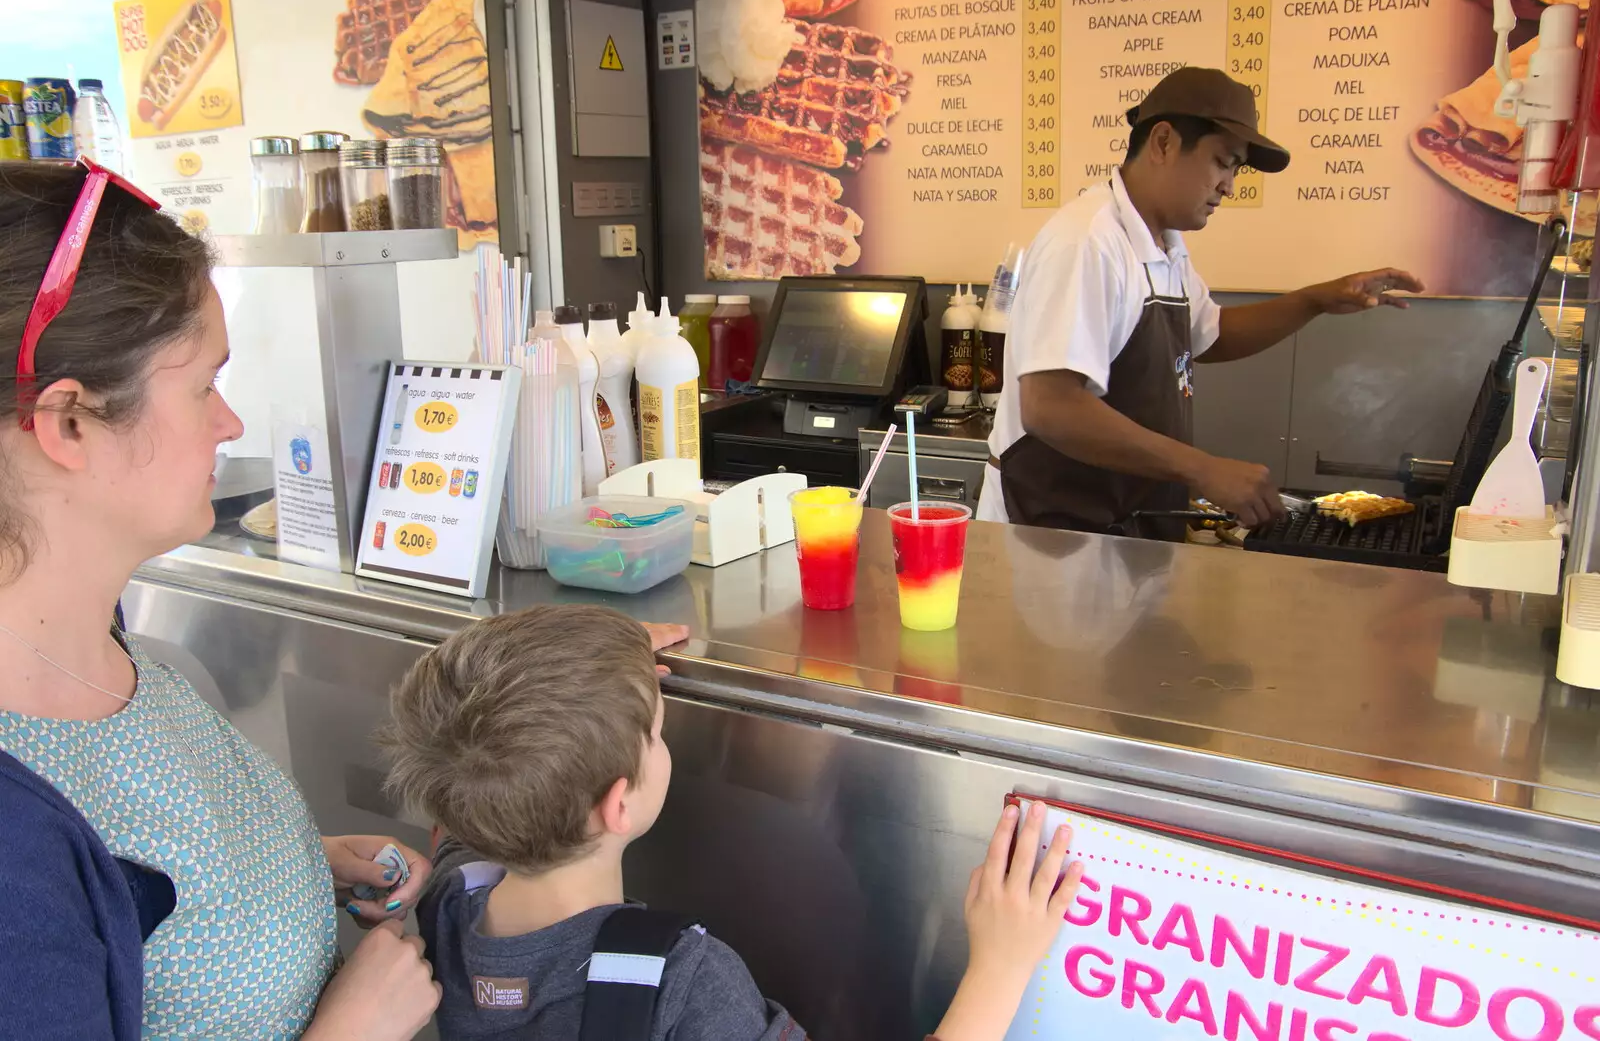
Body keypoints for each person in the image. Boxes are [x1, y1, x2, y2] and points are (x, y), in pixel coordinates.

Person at [0, 159, 688, 1039]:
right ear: (68, 422)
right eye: (204, 385)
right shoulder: (13, 838)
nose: (231, 422)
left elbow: (149, 897)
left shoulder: (97, 634)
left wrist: (296, 868)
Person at [381, 605, 1085, 1041]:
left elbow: (476, 733)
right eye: (655, 730)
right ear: (618, 802)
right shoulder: (684, 981)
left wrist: (597, 662)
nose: (662, 736)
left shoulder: (449, 896)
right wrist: (1001, 961)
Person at [979, 66, 1426, 538]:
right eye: (1222, 161)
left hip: (1122, 523)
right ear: (1164, 142)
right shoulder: (1088, 241)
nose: (1229, 185)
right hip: (1052, 531)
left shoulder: (1164, 243)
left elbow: (1209, 336)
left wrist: (1315, 300)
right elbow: (1051, 407)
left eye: (1235, 168)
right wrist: (1203, 469)